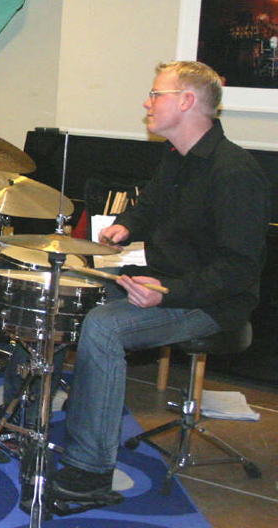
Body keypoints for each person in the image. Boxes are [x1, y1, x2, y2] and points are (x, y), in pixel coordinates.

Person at [44, 61, 270, 506]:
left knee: (104, 326)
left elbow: (239, 270)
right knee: (65, 286)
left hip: (210, 301)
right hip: (164, 278)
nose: (147, 103)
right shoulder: (176, 158)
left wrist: (167, 293)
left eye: (155, 94)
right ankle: (27, 410)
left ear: (186, 102)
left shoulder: (235, 174)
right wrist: (126, 225)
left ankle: (91, 473)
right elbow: (149, 205)